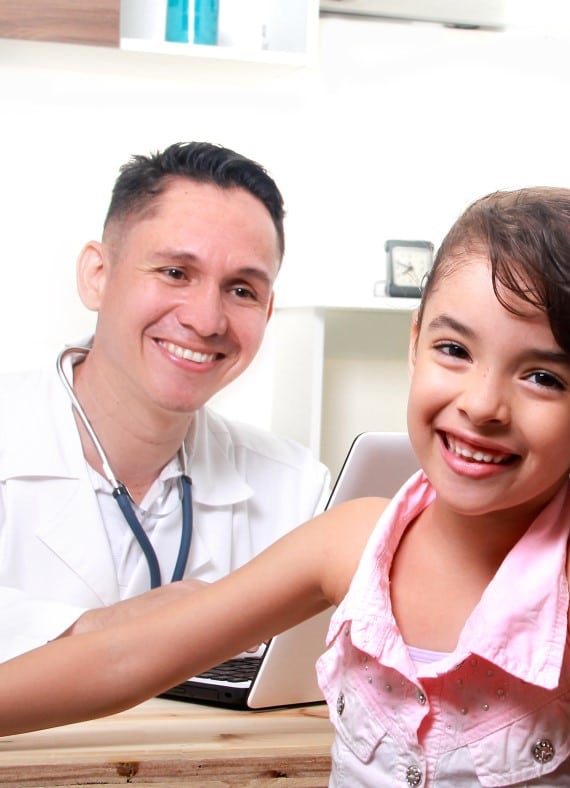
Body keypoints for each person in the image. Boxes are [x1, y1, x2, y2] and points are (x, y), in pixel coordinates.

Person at [0, 186, 570, 786]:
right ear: (413, 344)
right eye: (453, 350)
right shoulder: (353, 540)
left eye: (542, 377)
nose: (481, 404)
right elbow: (127, 657)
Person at [0, 141, 330, 663]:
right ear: (97, 275)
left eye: (241, 290)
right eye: (175, 273)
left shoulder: (295, 490)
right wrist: (97, 630)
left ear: (268, 313)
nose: (206, 320)